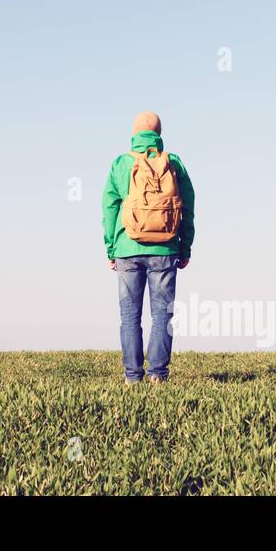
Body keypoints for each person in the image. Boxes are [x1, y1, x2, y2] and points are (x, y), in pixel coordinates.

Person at [101, 112, 195, 384]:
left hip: (127, 249)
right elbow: (188, 207)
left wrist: (111, 248)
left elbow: (109, 208)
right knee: (161, 316)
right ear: (159, 133)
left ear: (133, 133)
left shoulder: (121, 163)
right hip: (165, 250)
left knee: (129, 316)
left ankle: (132, 377)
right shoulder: (173, 163)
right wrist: (185, 246)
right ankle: (158, 375)